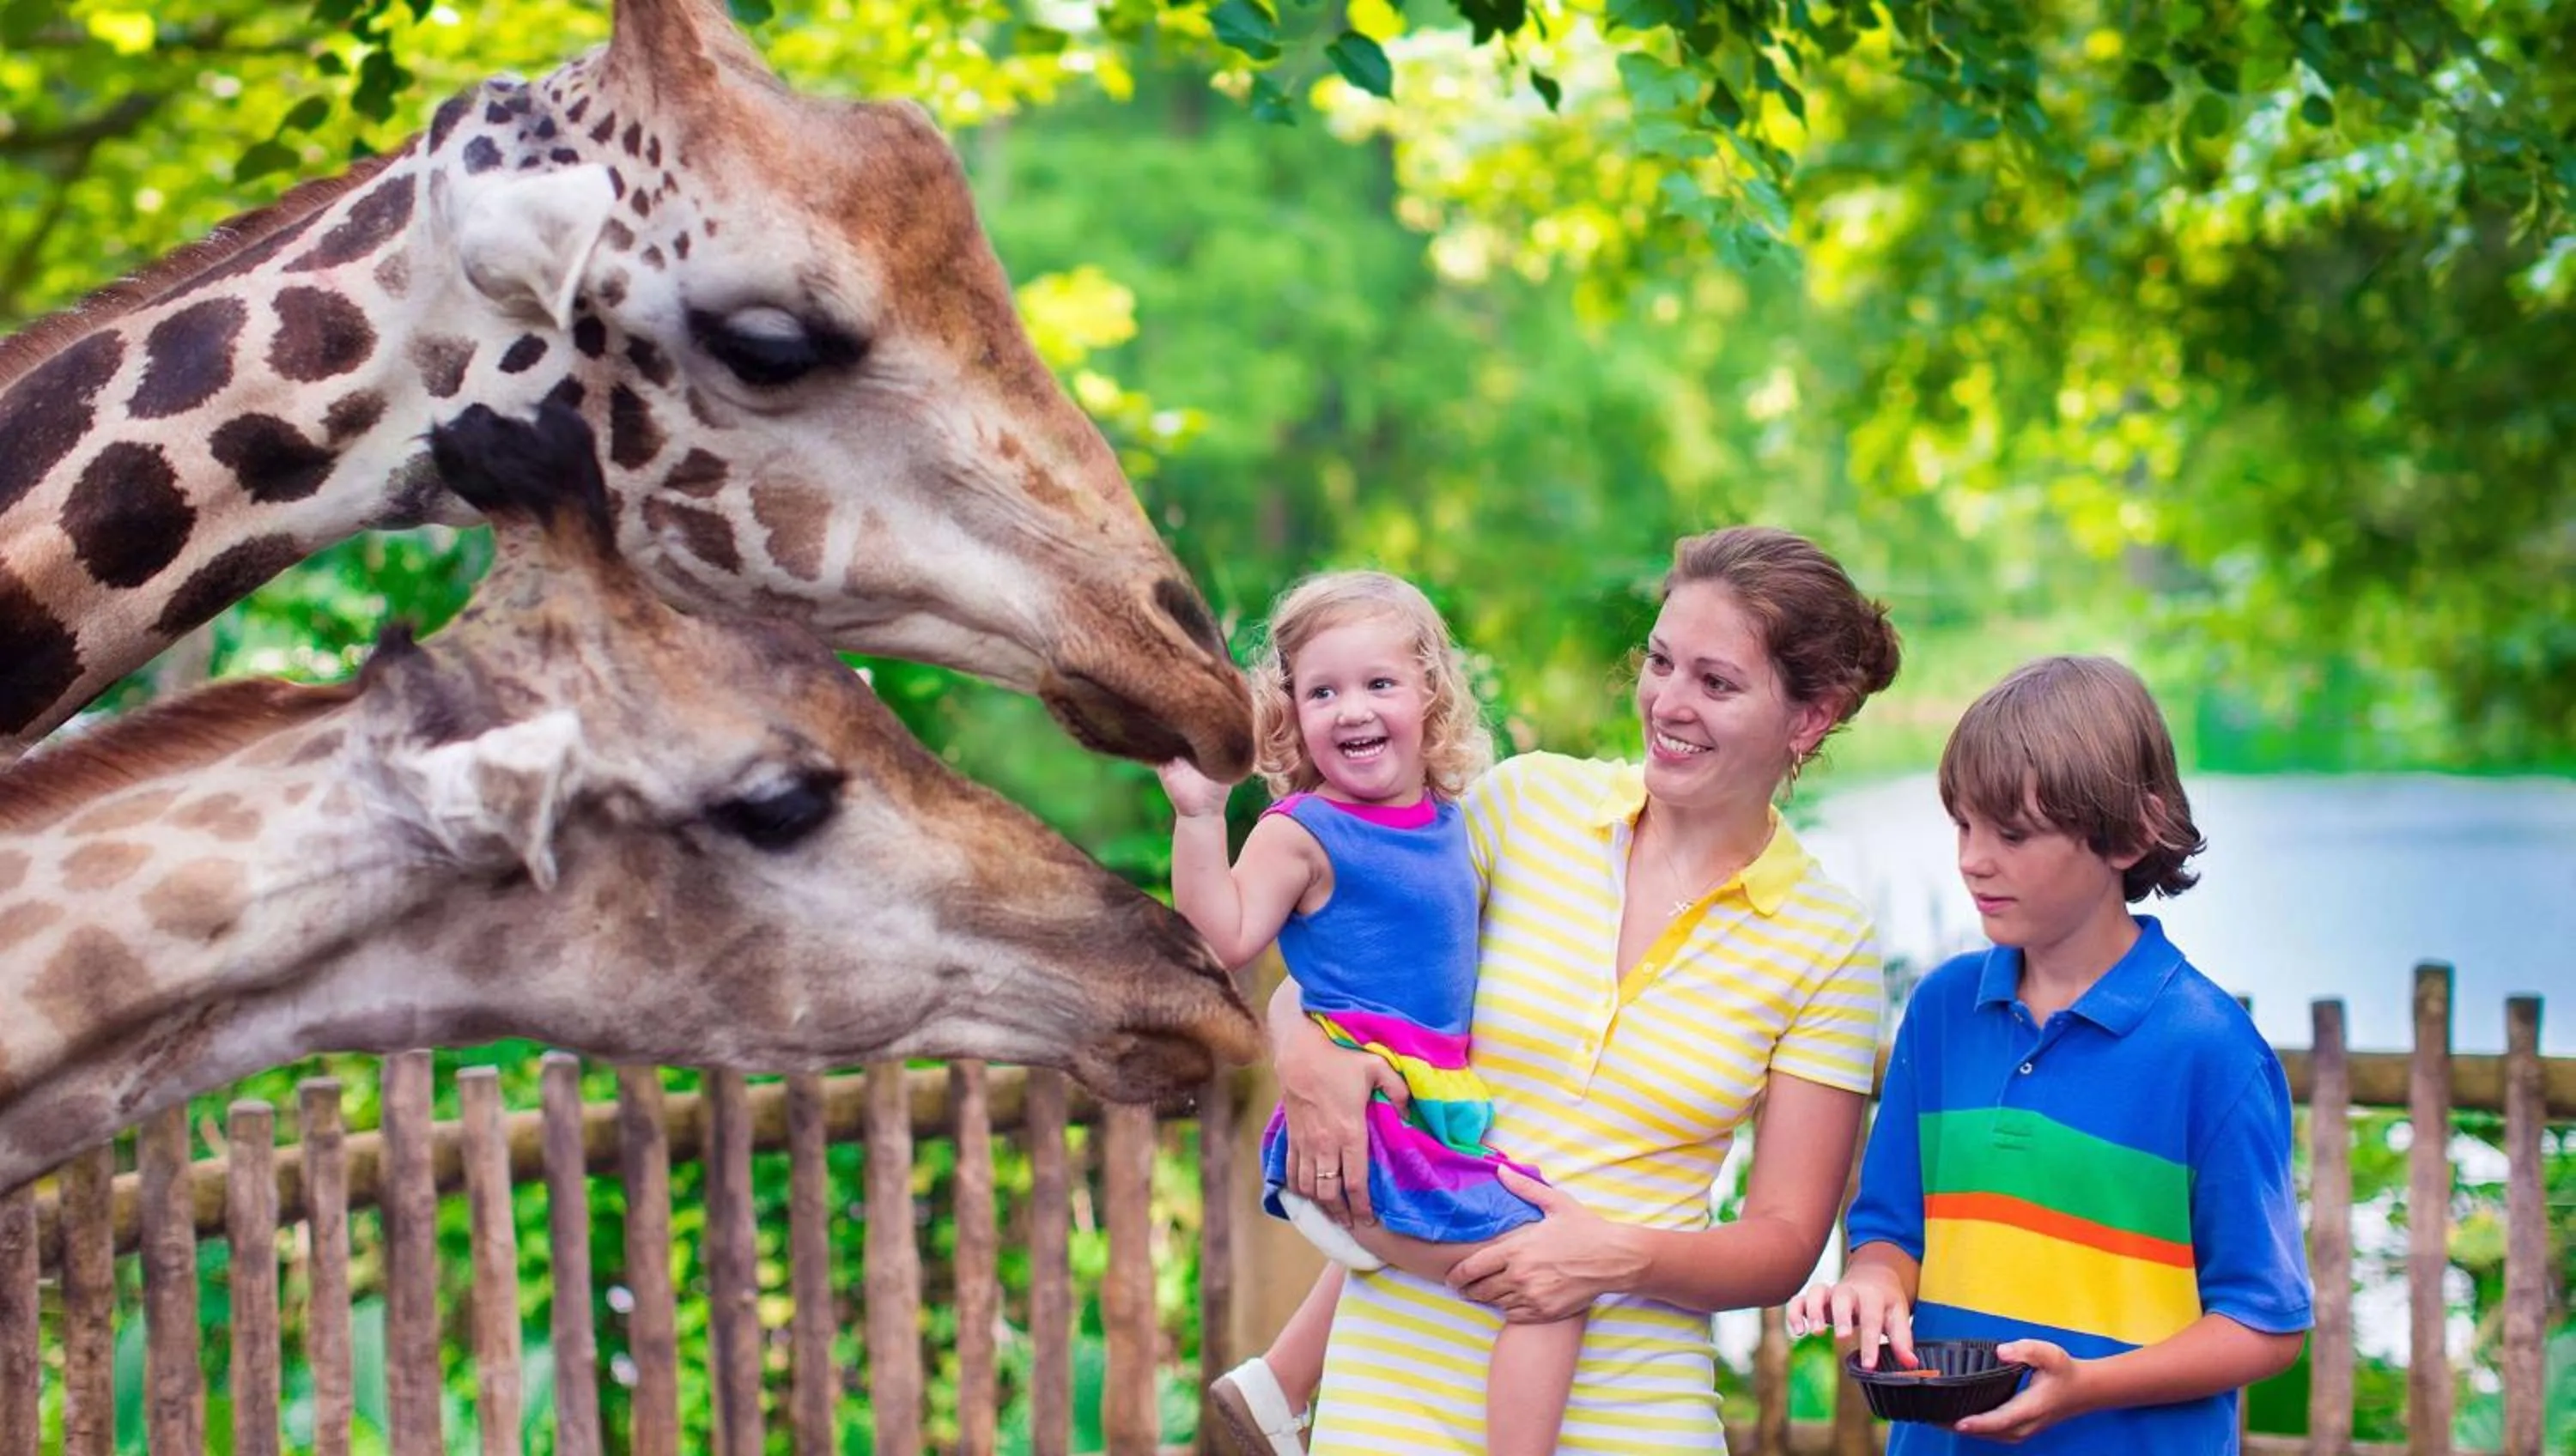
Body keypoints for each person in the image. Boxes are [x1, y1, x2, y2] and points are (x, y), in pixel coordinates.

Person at [1253, 526, 1904, 1453]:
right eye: (1663, 662)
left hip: (1637, 1408)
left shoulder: (1827, 941)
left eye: (1716, 683)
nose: (1669, 704)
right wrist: (1303, 1051)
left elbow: (1787, 1237)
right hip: (1395, 1384)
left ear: (1810, 716)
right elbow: (1347, 973)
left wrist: (1610, 1255)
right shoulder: (1523, 808)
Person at [1783, 655, 2312, 1452]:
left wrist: (2089, 1388)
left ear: (2131, 833)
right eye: (1963, 825)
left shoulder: (2211, 1053)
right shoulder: (1941, 1012)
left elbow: (2266, 1325)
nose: (1972, 859)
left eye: (2014, 834)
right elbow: (1892, 1229)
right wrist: (1872, 1282)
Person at [1156, 571, 1583, 1456]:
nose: (1352, 709)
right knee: (1551, 1274)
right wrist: (1200, 817)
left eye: (1378, 683)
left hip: (1429, 1110)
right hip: (1368, 1127)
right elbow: (1224, 936)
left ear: (1430, 691)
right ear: (1291, 713)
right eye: (1323, 691)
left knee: (1483, 1248)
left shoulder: (1450, 820)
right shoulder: (1301, 830)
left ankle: (1275, 1384)